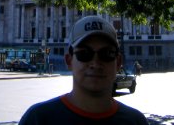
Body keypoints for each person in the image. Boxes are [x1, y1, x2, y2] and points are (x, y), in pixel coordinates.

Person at [19, 15, 149, 125]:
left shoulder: (137, 121)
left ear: (118, 63)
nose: (95, 63)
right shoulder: (37, 119)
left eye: (107, 54)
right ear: (69, 61)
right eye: (84, 53)